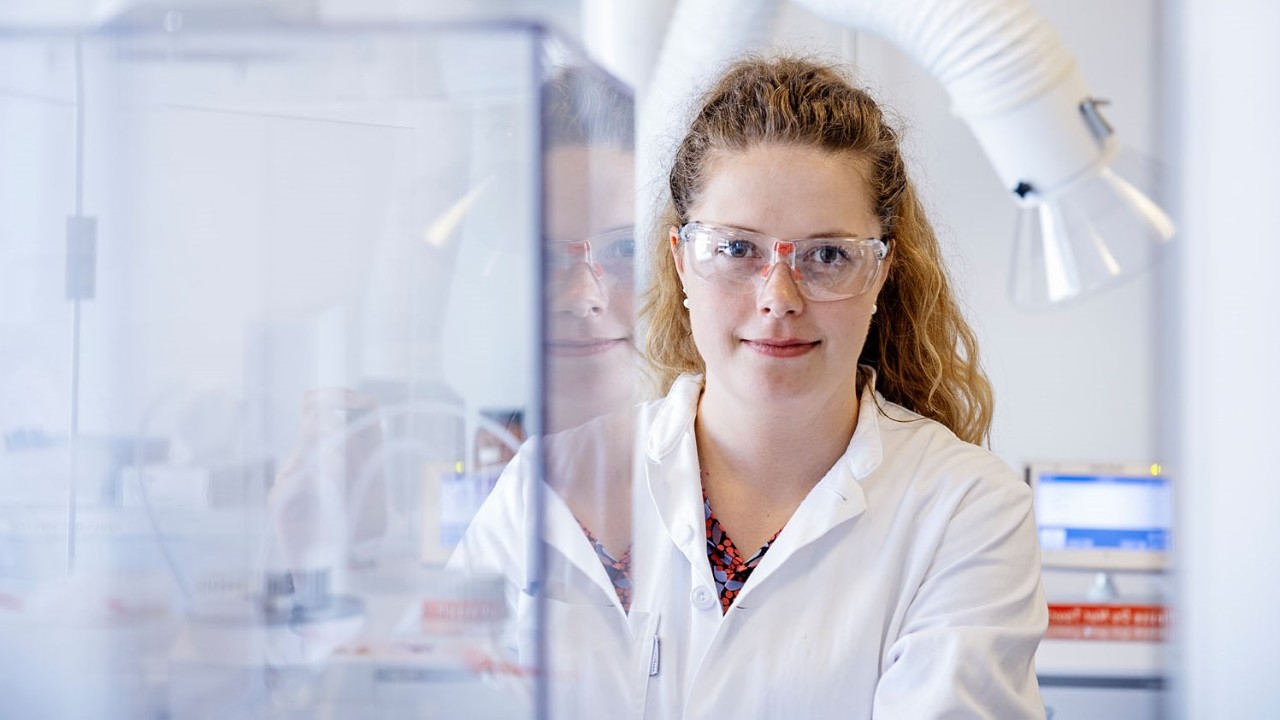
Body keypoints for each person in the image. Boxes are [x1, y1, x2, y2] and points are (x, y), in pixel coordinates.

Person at [453, 55, 1047, 719]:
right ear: (681, 261)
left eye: (828, 255)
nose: (778, 298)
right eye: (737, 250)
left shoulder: (967, 510)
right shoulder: (547, 488)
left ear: (880, 273)